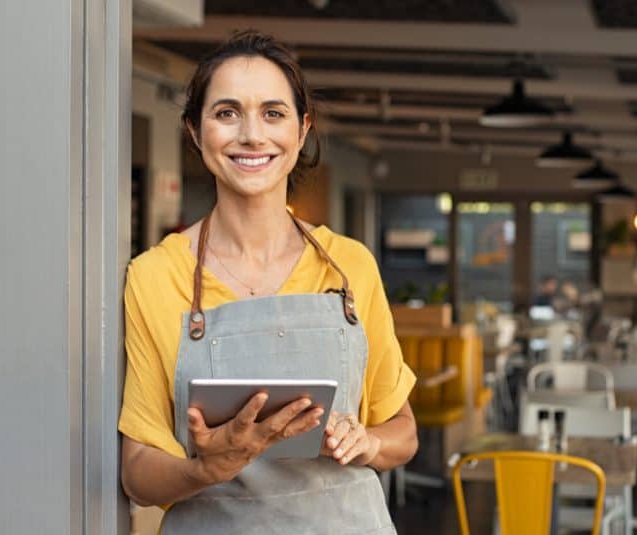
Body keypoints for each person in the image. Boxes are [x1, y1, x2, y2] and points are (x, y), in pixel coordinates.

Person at [118, 31, 417, 533]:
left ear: (301, 132)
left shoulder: (349, 267)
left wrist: (368, 442)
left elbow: (403, 432)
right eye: (227, 113)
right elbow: (137, 473)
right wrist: (204, 469)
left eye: (273, 113)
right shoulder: (156, 275)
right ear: (195, 131)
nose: (252, 135)